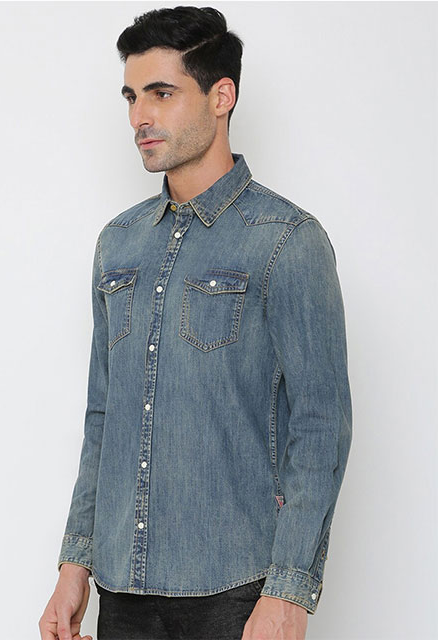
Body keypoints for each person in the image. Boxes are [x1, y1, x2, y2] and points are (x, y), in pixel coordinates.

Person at [39, 6, 353, 640]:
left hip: (235, 592)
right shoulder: (118, 243)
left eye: (161, 93)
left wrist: (288, 592)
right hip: (121, 588)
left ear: (221, 97)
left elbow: (322, 425)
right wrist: (76, 562)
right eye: (131, 96)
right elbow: (104, 417)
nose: (139, 117)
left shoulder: (287, 241)